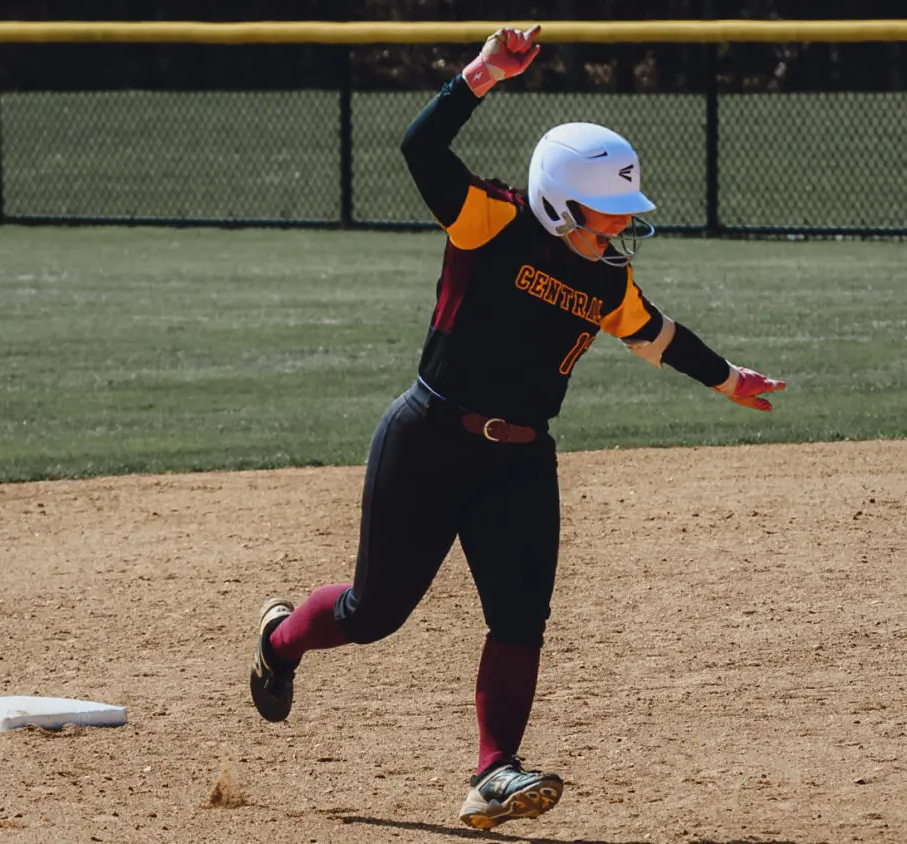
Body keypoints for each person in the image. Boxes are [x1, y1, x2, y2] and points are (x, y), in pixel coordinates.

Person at [249, 25, 784, 831]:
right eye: (609, 211)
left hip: (521, 461)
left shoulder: (607, 275)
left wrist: (727, 377)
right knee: (374, 613)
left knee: (520, 617)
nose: (621, 227)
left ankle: (492, 773)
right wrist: (482, 74)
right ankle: (281, 641)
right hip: (430, 437)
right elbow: (420, 146)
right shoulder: (487, 222)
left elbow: (655, 334)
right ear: (560, 199)